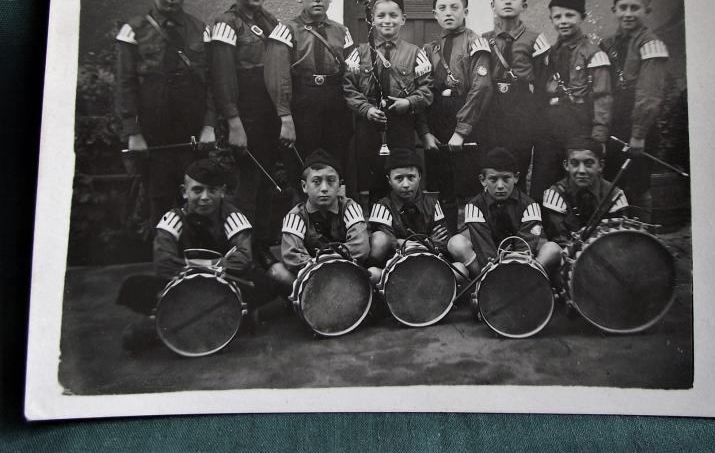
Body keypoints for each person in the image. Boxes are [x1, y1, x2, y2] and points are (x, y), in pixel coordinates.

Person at [116, 159, 285, 353]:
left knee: (265, 283)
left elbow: (243, 257)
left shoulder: (232, 217)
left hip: (224, 285)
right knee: (132, 287)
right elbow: (164, 263)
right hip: (184, 287)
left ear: (222, 191)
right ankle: (229, 316)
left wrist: (204, 269)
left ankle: (172, 323)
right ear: (184, 192)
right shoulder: (172, 219)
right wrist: (202, 272)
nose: (205, 197)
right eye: (197, 190)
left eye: (212, 190)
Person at [114, 0, 216, 230]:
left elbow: (211, 82)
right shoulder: (134, 30)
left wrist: (209, 125)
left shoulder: (200, 29)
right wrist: (133, 132)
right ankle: (165, 263)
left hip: (191, 133)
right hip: (153, 134)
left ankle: (195, 262)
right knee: (159, 199)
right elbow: (125, 85)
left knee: (196, 195)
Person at [209, 0, 293, 261]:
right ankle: (240, 253)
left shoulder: (270, 21)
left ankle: (259, 248)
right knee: (247, 184)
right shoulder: (225, 22)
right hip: (244, 112)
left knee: (266, 183)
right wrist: (234, 122)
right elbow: (221, 77)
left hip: (269, 112)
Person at [343, 0, 433, 201]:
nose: (387, 20)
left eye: (393, 15)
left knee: (402, 172)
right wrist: (366, 109)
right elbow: (348, 88)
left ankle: (403, 221)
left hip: (401, 125)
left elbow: (427, 91)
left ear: (403, 19)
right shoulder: (359, 53)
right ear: (372, 19)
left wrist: (408, 103)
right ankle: (376, 222)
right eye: (381, 15)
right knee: (372, 174)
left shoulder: (416, 54)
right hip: (369, 124)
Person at [267, 0, 355, 175]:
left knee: (336, 160)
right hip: (302, 104)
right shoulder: (286, 30)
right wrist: (285, 116)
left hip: (336, 104)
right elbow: (277, 77)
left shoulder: (342, 32)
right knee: (302, 163)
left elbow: (352, 73)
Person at [418, 0, 491, 232]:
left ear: (466, 12)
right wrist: (425, 132)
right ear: (434, 14)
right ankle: (444, 239)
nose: (448, 13)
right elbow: (423, 93)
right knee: (442, 186)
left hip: (466, 122)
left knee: (468, 184)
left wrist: (461, 131)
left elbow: (481, 88)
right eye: (442, 8)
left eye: (454, 7)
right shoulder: (429, 49)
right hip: (438, 122)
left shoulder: (476, 43)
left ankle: (470, 238)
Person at [471, 0, 550, 189]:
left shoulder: (535, 39)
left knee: (518, 165)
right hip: (491, 109)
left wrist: (536, 117)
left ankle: (519, 216)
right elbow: (478, 80)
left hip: (522, 109)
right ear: (492, 5)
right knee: (490, 164)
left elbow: (543, 83)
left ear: (523, 5)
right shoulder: (484, 40)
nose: (507, 1)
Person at [531, 0, 613, 199]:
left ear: (582, 17)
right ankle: (543, 228)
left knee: (577, 181)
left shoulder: (594, 54)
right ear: (551, 19)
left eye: (570, 15)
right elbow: (540, 92)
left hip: (579, 124)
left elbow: (603, 96)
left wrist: (599, 135)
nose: (563, 21)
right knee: (543, 180)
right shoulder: (549, 54)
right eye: (557, 17)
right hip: (550, 127)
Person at [600, 0, 669, 222]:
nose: (628, 13)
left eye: (635, 8)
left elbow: (649, 95)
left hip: (639, 129)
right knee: (608, 186)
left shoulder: (651, 45)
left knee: (636, 187)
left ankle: (641, 241)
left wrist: (638, 133)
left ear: (646, 11)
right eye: (623, 7)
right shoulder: (607, 44)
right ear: (614, 10)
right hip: (613, 126)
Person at [271, 149, 370, 291]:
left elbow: (360, 246)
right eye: (316, 182)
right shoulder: (296, 216)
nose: (324, 188)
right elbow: (292, 255)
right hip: (314, 278)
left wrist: (330, 262)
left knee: (375, 273)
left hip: (347, 272)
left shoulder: (349, 207)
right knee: (278, 272)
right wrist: (321, 267)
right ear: (304, 186)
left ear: (340, 185)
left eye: (331, 181)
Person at [367, 148, 472, 281]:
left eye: (411, 177)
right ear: (389, 180)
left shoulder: (433, 203)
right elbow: (389, 245)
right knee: (372, 273)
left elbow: (443, 242)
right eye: (399, 178)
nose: (406, 184)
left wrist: (403, 242)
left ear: (420, 177)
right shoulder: (382, 206)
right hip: (397, 269)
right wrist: (429, 241)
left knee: (460, 270)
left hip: (429, 264)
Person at [457, 147, 561, 278]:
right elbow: (485, 251)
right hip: (489, 263)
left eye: (506, 179)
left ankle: (530, 280)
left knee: (552, 248)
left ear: (516, 178)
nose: (500, 186)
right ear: (483, 180)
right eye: (493, 180)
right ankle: (482, 284)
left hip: (522, 261)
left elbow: (525, 248)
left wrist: (516, 266)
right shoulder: (474, 206)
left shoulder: (530, 205)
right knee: (456, 243)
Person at [541, 138, 629, 250]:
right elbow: (560, 240)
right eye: (575, 163)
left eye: (588, 163)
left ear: (600, 166)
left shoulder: (614, 195)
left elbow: (620, 239)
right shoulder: (556, 194)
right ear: (566, 165)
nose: (581, 170)